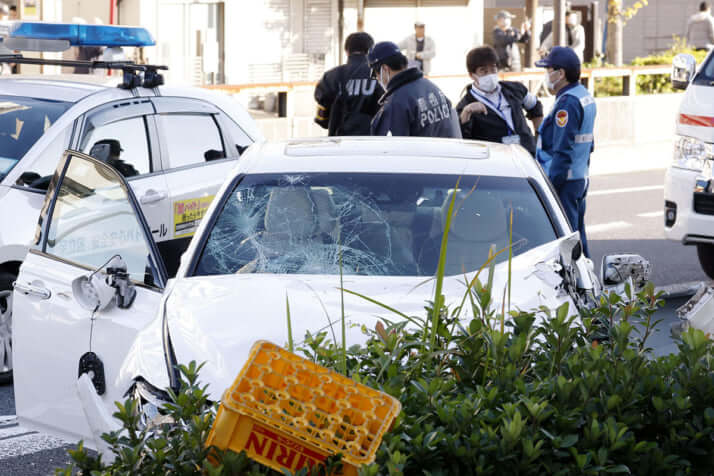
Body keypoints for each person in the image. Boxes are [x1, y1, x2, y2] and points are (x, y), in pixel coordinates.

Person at [535, 46, 595, 257]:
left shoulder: (567, 103)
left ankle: (578, 277)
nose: (546, 75)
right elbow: (589, 144)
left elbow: (563, 149)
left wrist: (551, 187)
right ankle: (587, 275)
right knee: (577, 237)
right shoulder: (583, 95)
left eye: (548, 69)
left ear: (560, 73)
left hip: (565, 182)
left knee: (567, 244)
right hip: (579, 177)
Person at [456, 46, 543, 156]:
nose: (490, 75)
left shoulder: (515, 89)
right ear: (472, 75)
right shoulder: (465, 105)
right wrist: (466, 113)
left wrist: (539, 137)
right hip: (496, 160)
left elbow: (535, 106)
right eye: (483, 71)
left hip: (527, 154)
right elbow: (461, 139)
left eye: (493, 69)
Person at [367, 41, 460, 138]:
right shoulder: (432, 87)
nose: (377, 79)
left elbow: (387, 145)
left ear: (385, 69)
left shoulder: (395, 104)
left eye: (375, 75)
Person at [314, 32, 383, 136]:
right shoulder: (382, 76)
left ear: (346, 51)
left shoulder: (331, 77)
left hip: (340, 141)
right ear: (371, 51)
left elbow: (322, 119)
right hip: (373, 141)